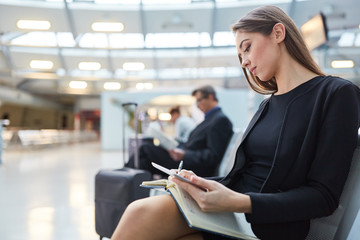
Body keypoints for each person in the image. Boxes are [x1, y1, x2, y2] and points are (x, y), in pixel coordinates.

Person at [112, 5, 360, 240]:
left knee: (139, 213)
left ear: (277, 33)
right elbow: (244, 176)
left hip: (267, 224)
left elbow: (324, 196)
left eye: (247, 47)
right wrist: (200, 183)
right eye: (240, 54)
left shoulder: (337, 94)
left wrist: (239, 202)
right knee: (142, 214)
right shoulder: (268, 104)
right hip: (234, 210)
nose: (243, 62)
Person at [126, 85, 233, 178]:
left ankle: (122, 177)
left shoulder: (220, 120)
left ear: (210, 97)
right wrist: (176, 148)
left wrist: (185, 155)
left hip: (193, 167)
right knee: (143, 162)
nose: (197, 105)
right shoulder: (210, 119)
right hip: (186, 160)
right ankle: (127, 186)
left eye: (199, 100)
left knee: (146, 148)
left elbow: (212, 156)